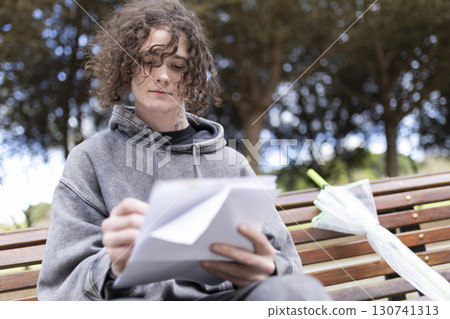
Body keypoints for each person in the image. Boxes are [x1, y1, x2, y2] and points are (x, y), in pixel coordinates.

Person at [37, 0, 331, 301]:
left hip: (233, 301)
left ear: (192, 77)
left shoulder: (232, 163)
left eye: (176, 65)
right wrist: (111, 267)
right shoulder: (90, 160)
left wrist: (267, 269)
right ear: (126, 67)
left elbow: (289, 266)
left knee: (302, 293)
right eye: (148, 61)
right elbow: (59, 290)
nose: (162, 76)